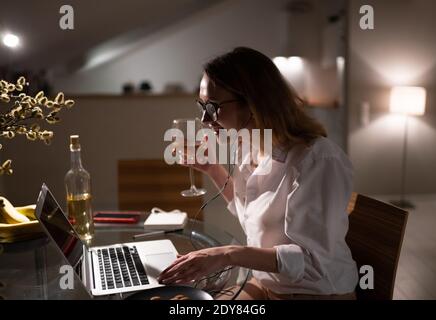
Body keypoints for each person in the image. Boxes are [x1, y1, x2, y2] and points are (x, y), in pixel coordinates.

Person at [158, 47, 358, 300]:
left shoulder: (317, 160)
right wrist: (213, 170)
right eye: (202, 105)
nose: (204, 120)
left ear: (254, 102)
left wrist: (227, 254)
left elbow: (312, 262)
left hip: (313, 293)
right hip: (267, 284)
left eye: (213, 106)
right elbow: (250, 215)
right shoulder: (249, 146)